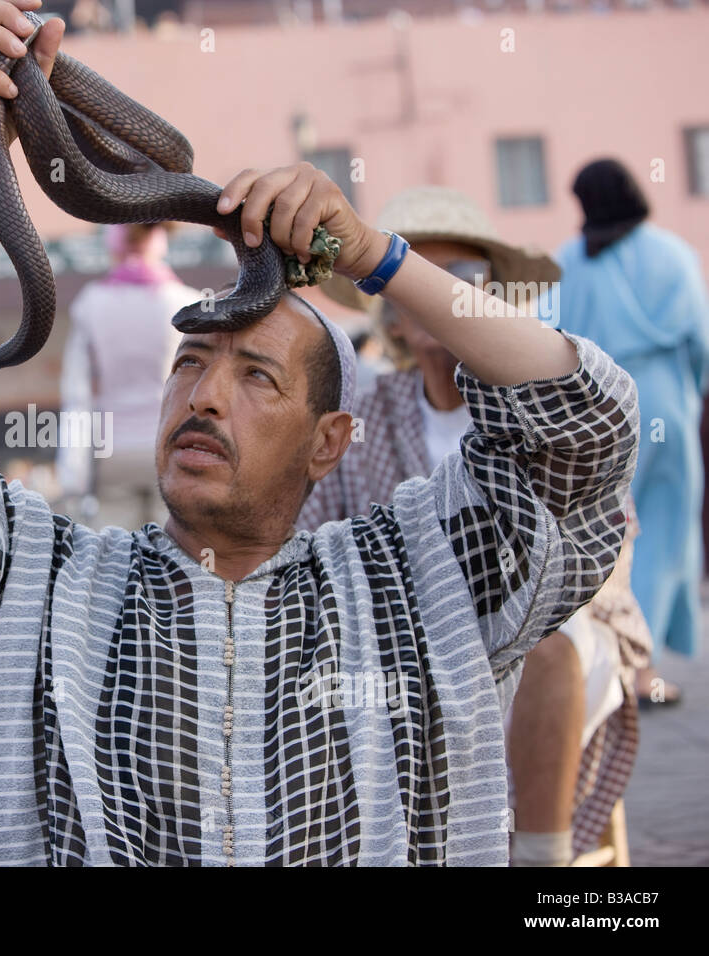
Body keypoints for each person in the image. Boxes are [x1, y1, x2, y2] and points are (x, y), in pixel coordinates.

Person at [0, 0, 638, 865]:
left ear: (329, 441)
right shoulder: (44, 596)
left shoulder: (418, 588)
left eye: (257, 376)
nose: (202, 396)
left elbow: (583, 426)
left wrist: (375, 256)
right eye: (190, 364)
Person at [302, 186, 651, 865]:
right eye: (416, 279)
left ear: (495, 296)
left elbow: (607, 537)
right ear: (394, 314)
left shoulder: (541, 401)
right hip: (409, 650)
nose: (443, 296)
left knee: (544, 640)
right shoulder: (362, 415)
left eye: (462, 278)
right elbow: (316, 538)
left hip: (561, 632)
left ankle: (542, 863)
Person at [552, 158, 709, 705]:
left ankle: (612, 666)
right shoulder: (672, 255)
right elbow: (701, 343)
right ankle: (647, 673)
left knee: (611, 538)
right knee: (665, 539)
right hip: (666, 405)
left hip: (600, 411)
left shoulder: (567, 263)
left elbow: (551, 344)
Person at [56, 223, 203, 528]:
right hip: (173, 450)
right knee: (177, 556)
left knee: (115, 559)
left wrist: (73, 476)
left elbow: (78, 396)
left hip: (112, 454)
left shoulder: (91, 302)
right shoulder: (187, 302)